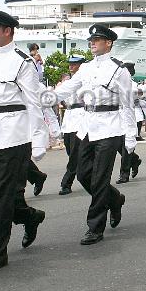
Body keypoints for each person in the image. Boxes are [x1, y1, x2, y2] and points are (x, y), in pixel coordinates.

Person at [0, 9, 47, 273]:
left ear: (8, 31)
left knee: (0, 198)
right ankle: (30, 217)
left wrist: (39, 139)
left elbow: (34, 102)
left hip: (13, 136)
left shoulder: (22, 62)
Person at [55, 24, 136, 244]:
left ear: (108, 43)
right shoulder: (87, 68)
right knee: (83, 174)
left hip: (110, 127)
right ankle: (115, 199)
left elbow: (128, 104)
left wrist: (130, 134)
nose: (92, 43)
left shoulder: (119, 70)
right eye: (91, 39)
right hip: (87, 126)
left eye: (97, 39)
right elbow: (69, 87)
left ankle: (95, 227)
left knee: (100, 178)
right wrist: (45, 96)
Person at [59, 55, 86, 195]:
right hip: (69, 118)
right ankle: (92, 175)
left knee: (75, 153)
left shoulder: (84, 81)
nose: (71, 66)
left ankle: (66, 183)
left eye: (74, 64)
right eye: (70, 64)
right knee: (71, 151)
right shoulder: (67, 81)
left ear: (81, 65)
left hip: (80, 117)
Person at [116, 62, 142, 184]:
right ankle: (135, 159)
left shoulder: (134, 87)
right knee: (117, 145)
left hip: (129, 117)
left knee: (126, 146)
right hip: (116, 118)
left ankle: (124, 174)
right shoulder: (116, 84)